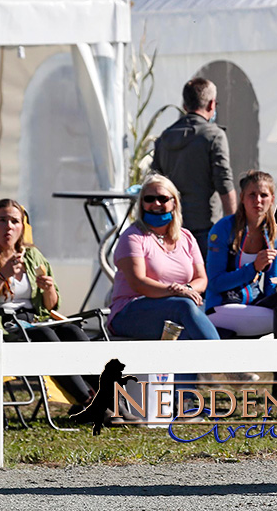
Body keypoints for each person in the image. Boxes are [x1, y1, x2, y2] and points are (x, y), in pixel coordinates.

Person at [0, 199, 108, 418]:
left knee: (72, 332)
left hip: (36, 319)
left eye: (15, 221)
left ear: (22, 227)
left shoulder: (33, 255)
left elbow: (52, 305)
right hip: (3, 325)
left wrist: (48, 290)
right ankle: (87, 401)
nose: (8, 226)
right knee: (45, 334)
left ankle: (110, 398)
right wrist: (2, 276)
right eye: (2, 220)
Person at [108, 174, 219, 415]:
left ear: (174, 203)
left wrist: (188, 289)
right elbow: (139, 283)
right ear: (141, 203)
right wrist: (175, 290)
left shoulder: (187, 238)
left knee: (186, 320)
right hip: (130, 311)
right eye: (149, 198)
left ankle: (186, 404)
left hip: (175, 312)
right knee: (184, 309)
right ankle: (221, 360)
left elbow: (202, 280)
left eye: (162, 198)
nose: (156, 204)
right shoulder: (133, 237)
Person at [205, 170, 277, 338]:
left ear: (272, 199)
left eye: (263, 195)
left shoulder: (276, 236)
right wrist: (254, 268)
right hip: (221, 307)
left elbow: (270, 287)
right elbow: (215, 284)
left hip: (254, 305)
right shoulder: (223, 229)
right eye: (252, 195)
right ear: (242, 198)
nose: (257, 200)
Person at [151, 77, 237, 255]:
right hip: (205, 228)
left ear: (184, 105)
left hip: (169, 228)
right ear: (212, 104)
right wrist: (234, 229)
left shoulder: (165, 137)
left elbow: (154, 184)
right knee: (205, 280)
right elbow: (224, 184)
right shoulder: (214, 136)